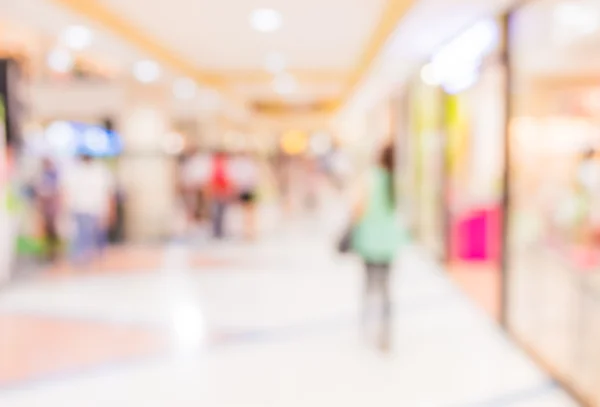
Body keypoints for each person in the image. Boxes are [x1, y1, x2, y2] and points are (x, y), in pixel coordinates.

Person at [350, 144, 403, 352]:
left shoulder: (371, 177)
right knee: (386, 288)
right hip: (390, 242)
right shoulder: (396, 181)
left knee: (369, 286)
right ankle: (385, 332)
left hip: (370, 240)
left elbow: (358, 206)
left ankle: (368, 327)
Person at [62, 154, 115, 267]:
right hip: (82, 207)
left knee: (96, 234)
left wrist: (109, 209)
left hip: (93, 208)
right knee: (83, 234)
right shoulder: (76, 172)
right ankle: (83, 257)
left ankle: (92, 257)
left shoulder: (99, 172)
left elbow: (107, 192)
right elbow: (67, 191)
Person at [36, 157, 61, 261]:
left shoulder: (53, 175)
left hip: (51, 208)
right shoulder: (42, 175)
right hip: (45, 208)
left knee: (52, 230)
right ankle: (48, 252)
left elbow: (56, 191)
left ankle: (54, 252)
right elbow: (39, 192)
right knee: (45, 230)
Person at [230, 152, 260, 240]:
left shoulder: (241, 165)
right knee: (248, 212)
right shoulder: (248, 165)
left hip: (247, 189)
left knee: (248, 212)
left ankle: (249, 230)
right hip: (247, 189)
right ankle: (248, 230)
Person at [208, 150, 232, 239]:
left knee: (221, 213)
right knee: (217, 213)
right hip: (218, 193)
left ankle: (219, 231)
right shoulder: (217, 167)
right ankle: (217, 231)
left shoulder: (223, 166)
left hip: (222, 193)